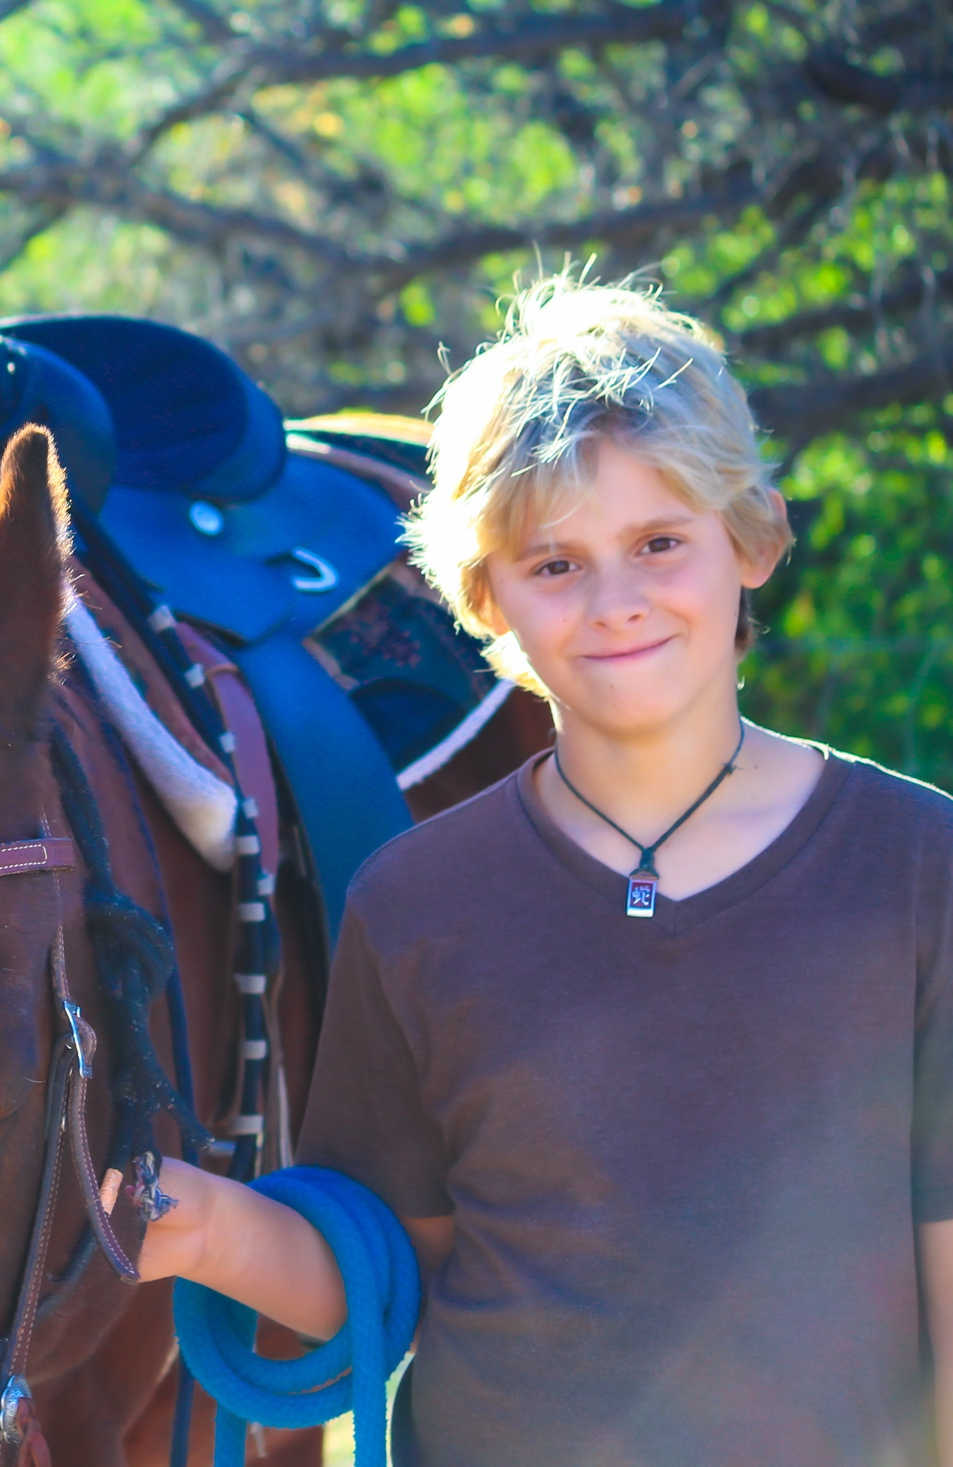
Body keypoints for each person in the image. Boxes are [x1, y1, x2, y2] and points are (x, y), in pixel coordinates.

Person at [139, 276, 953, 1465]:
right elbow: (388, 1280)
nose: (614, 602)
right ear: (485, 595)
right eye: (554, 564)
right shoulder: (416, 904)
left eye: (659, 544)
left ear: (755, 539)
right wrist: (196, 1224)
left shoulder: (915, 868)